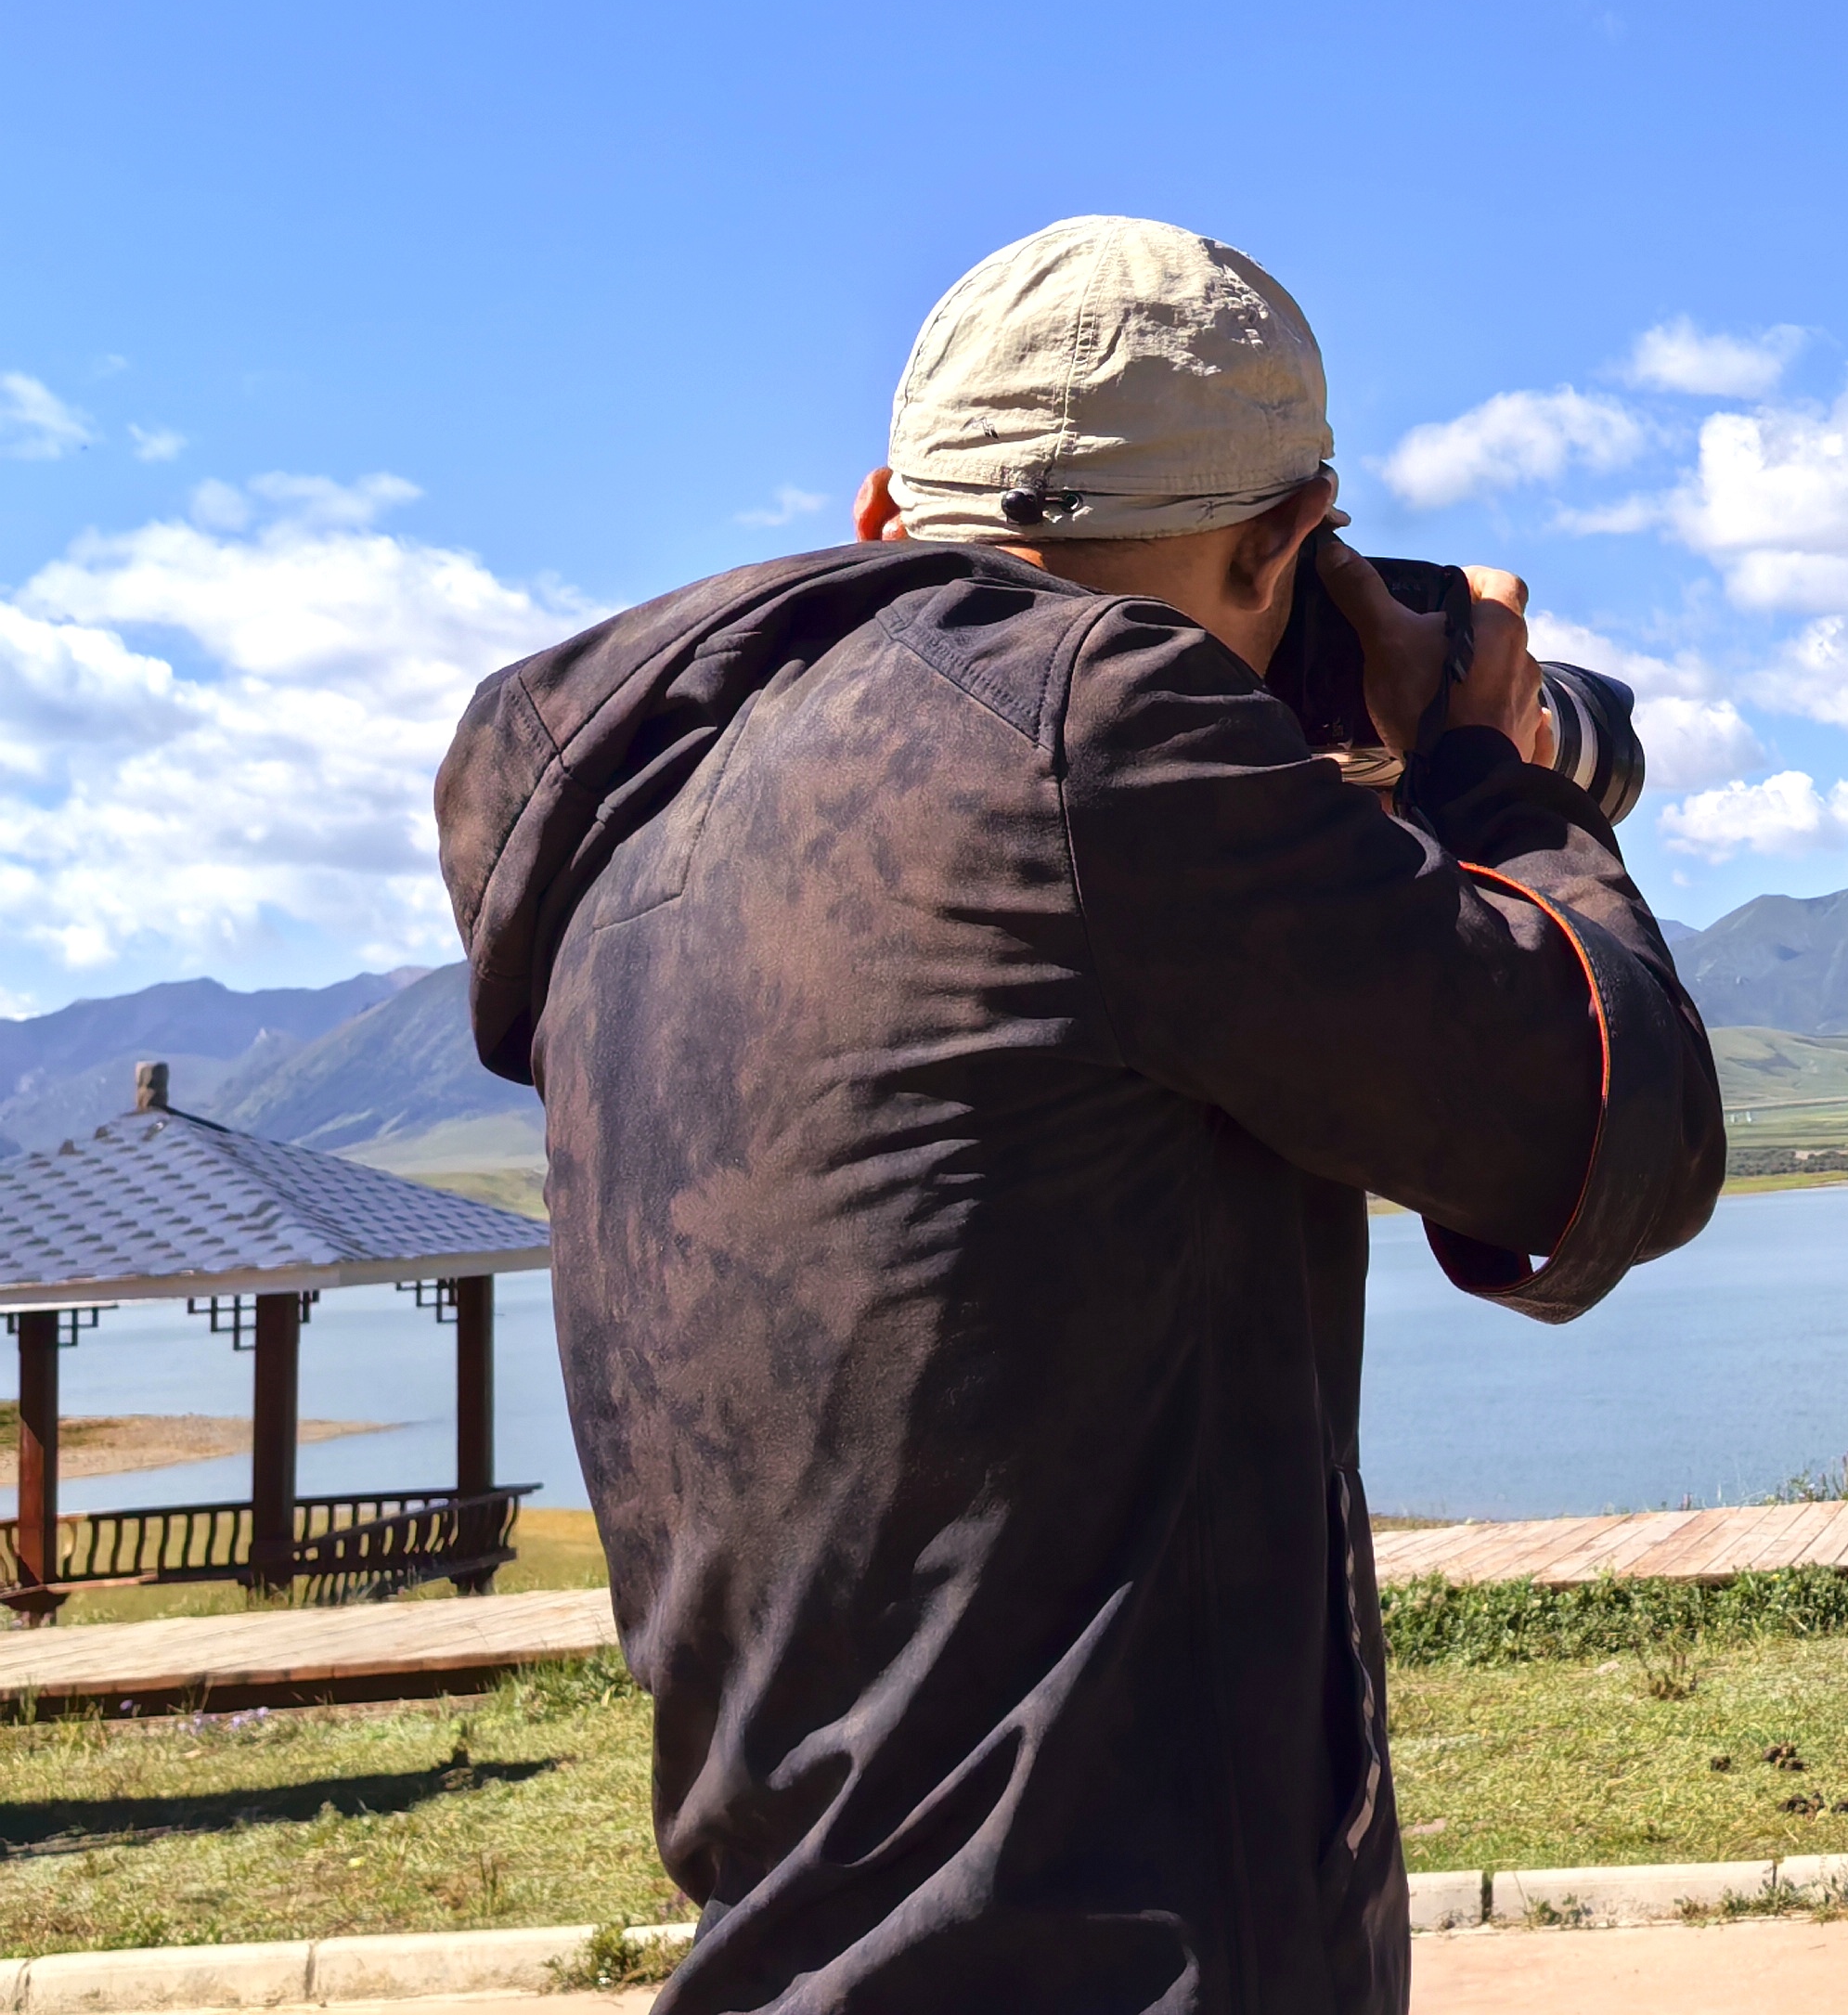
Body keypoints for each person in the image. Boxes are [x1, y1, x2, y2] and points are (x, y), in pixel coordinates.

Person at [434, 217, 1722, 2015]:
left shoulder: (658, 810)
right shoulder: (1097, 733)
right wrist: (1479, 769)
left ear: (887, 511)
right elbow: (1610, 1121)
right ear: (1286, 541)